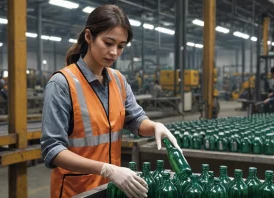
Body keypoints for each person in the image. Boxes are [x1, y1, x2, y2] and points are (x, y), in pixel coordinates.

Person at [40, 5, 181, 198]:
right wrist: (107, 169)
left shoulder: (119, 81)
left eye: (121, 46)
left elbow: (136, 120)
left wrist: (155, 126)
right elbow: (53, 150)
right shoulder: (62, 84)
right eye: (108, 43)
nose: (114, 52)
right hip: (77, 190)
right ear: (89, 37)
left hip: (111, 189)